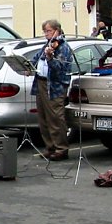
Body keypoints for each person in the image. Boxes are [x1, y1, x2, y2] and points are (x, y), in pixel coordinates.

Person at [30, 19, 73, 161]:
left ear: (57, 30)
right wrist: (28, 66)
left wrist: (50, 58)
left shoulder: (63, 47)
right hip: (41, 83)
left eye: (49, 31)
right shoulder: (46, 45)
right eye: (45, 31)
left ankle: (61, 148)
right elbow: (36, 59)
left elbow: (59, 68)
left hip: (55, 86)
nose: (46, 34)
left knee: (55, 117)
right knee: (43, 118)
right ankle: (50, 147)